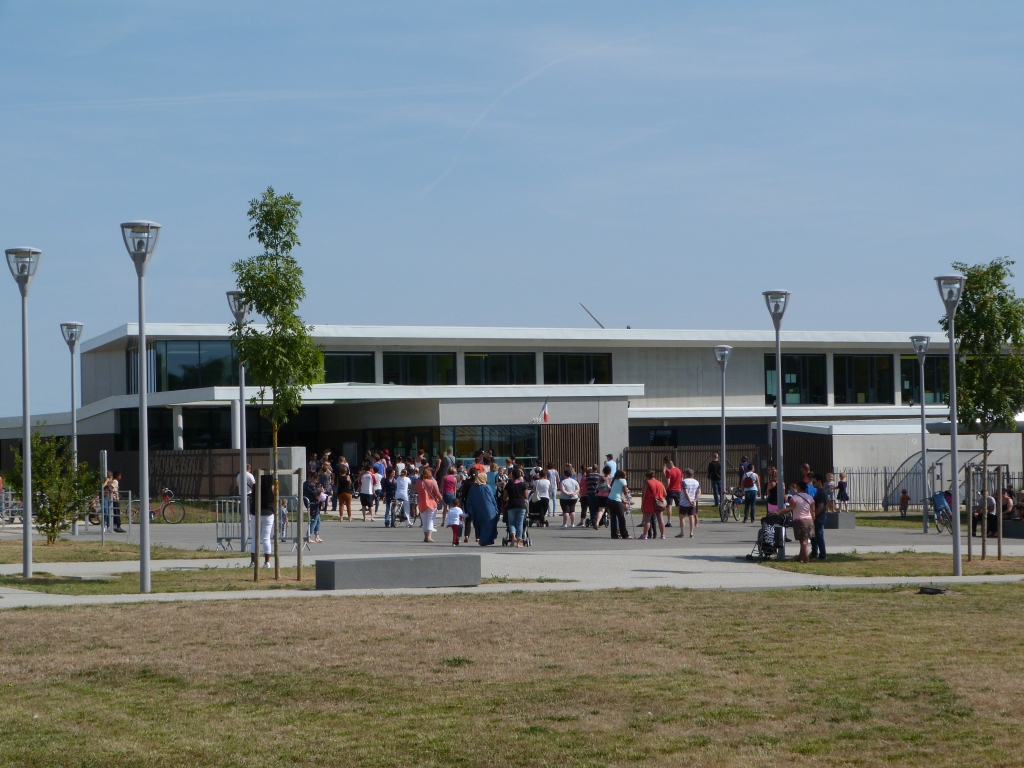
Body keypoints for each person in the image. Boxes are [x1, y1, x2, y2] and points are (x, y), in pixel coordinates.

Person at [781, 479, 816, 563]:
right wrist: (813, 520)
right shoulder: (810, 498)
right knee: (805, 541)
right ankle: (799, 558)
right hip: (809, 520)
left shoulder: (794, 498)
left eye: (796, 486)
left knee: (803, 541)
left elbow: (790, 508)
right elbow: (813, 511)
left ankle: (806, 559)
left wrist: (779, 512)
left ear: (799, 487)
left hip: (799, 520)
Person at [466, 469, 499, 546]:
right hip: (489, 510)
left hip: (477, 510)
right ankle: (485, 540)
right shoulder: (487, 487)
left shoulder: (473, 488)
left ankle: (484, 539)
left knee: (479, 524)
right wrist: (496, 509)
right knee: (488, 525)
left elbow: (469, 500)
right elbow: (492, 499)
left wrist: (471, 509)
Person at [503, 468, 529, 547]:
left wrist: (507, 498)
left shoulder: (508, 485)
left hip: (511, 504)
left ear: (512, 475)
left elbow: (504, 497)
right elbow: (526, 496)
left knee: (511, 522)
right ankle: (518, 542)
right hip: (521, 505)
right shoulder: (522, 485)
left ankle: (513, 537)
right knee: (520, 523)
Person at [416, 467, 442, 543]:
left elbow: (415, 490)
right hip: (431, 503)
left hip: (421, 503)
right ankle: (429, 537)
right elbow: (437, 493)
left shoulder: (418, 482)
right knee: (430, 520)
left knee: (424, 521)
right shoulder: (432, 482)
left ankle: (425, 536)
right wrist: (442, 501)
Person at [640, 469, 667, 540]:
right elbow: (665, 493)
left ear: (647, 476)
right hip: (659, 502)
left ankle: (645, 535)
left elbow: (644, 494)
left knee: (647, 519)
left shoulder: (647, 483)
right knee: (660, 519)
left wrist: (642, 504)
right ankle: (662, 535)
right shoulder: (660, 483)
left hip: (649, 502)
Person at [606, 469, 631, 539]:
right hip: (616, 500)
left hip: (610, 499)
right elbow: (625, 491)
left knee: (613, 518)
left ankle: (614, 534)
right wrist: (628, 497)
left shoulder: (615, 480)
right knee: (621, 518)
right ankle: (624, 534)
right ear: (623, 476)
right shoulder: (623, 480)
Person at [676, 468, 701, 538]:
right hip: (693, 502)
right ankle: (691, 533)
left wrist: (689, 500)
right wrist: (695, 500)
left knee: (682, 517)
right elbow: (699, 492)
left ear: (686, 474)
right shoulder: (696, 482)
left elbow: (685, 491)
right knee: (691, 517)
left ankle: (682, 532)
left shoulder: (684, 481)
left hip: (684, 502)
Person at [810, 473, 827, 561]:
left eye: (814, 482)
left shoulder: (820, 492)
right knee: (814, 536)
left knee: (819, 536)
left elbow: (821, 506)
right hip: (819, 516)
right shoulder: (819, 491)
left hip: (819, 516)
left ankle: (822, 555)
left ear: (819, 481)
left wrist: (814, 515)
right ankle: (814, 552)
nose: (813, 484)